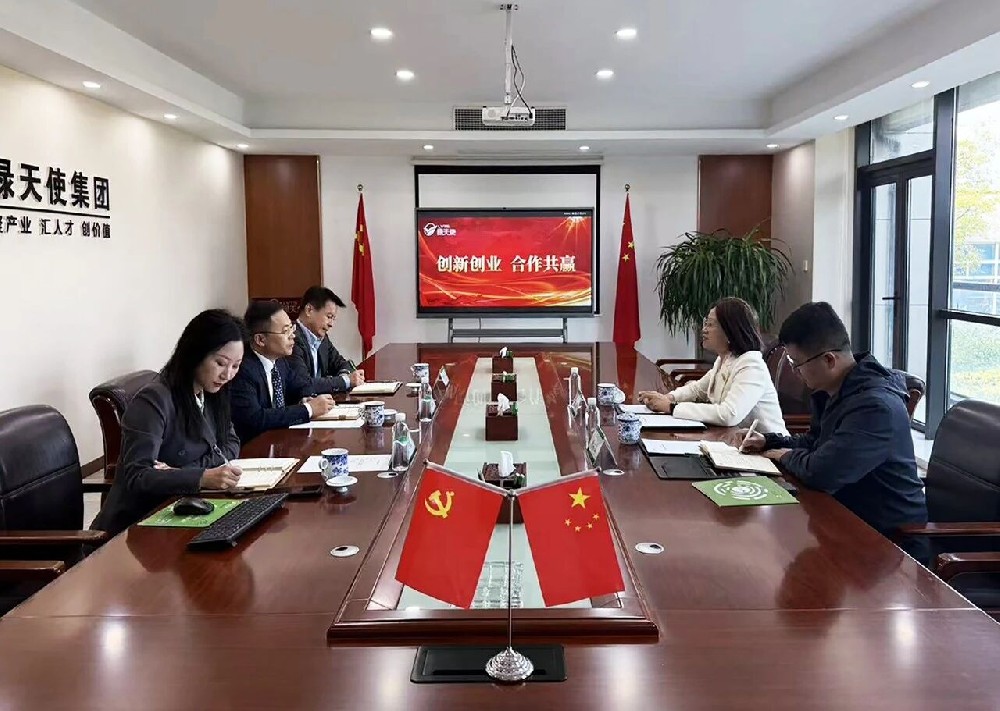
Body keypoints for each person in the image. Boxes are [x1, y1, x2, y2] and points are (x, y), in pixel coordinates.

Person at [730, 302, 928, 542]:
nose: (795, 372)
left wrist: (783, 455)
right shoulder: (835, 389)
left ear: (829, 360)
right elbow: (815, 442)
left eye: (796, 364)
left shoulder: (875, 407)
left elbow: (822, 472)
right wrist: (768, 441)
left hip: (887, 541)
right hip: (844, 518)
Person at [92, 310, 247, 536]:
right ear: (195, 354)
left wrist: (182, 472)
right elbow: (138, 476)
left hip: (180, 509)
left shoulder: (212, 392)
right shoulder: (154, 400)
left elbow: (230, 443)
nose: (227, 375)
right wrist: (203, 477)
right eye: (220, 363)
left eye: (236, 366)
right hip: (135, 527)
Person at [637, 297, 787, 434]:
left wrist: (671, 407)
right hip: (735, 441)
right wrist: (667, 397)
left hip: (770, 450)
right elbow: (697, 390)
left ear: (729, 331)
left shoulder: (751, 366)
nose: (704, 330)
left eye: (710, 324)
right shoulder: (725, 359)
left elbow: (729, 415)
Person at [229, 300, 334, 442]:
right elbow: (256, 419)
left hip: (280, 444)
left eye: (291, 328)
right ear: (260, 339)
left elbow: (301, 385)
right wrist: (308, 409)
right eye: (285, 331)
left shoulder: (280, 361)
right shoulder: (242, 369)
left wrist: (303, 399)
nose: (293, 336)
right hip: (253, 448)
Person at [289, 286, 365, 393]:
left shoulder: (323, 339)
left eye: (333, 319)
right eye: (329, 317)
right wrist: (346, 381)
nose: (331, 324)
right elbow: (304, 384)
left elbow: (342, 363)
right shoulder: (291, 339)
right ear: (309, 310)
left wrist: (344, 375)